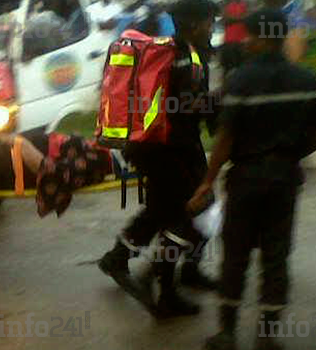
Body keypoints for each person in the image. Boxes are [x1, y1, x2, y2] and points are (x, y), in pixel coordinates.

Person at [188, 9, 316, 350]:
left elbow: (225, 140)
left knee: (235, 254)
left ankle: (226, 333)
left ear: (263, 37)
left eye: (250, 36)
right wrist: (294, 153)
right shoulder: (308, 80)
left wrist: (207, 181)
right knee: (276, 256)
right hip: (284, 180)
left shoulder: (240, 81)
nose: (246, 43)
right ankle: (267, 337)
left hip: (246, 180)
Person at [97, 0, 220, 319]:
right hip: (173, 148)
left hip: (149, 145)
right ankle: (164, 288)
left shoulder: (175, 52)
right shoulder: (187, 59)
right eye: (209, 21)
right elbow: (186, 106)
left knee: (160, 210)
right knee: (195, 211)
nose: (212, 27)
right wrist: (219, 103)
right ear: (195, 24)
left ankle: (118, 257)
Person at [221, 0, 249, 77]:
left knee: (243, 71)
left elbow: (250, 17)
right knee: (228, 70)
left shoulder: (247, 4)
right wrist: (242, 18)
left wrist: (234, 19)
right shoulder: (227, 4)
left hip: (242, 42)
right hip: (229, 42)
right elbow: (225, 20)